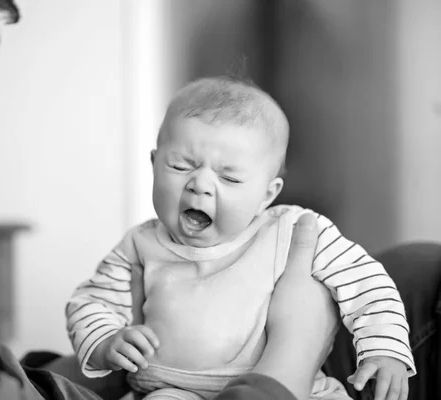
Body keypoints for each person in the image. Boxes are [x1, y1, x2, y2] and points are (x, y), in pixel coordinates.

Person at [0, 1, 342, 400]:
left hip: (145, 374)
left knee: (416, 270)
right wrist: (296, 346)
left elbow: (8, 374)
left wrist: (120, 359)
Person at [66, 77, 415, 400]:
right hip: (171, 387)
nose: (200, 184)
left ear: (267, 194)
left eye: (229, 179)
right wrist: (105, 341)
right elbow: (90, 303)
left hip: (297, 389)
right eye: (180, 166)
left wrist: (384, 349)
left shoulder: (294, 230)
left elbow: (366, 282)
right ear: (154, 164)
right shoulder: (139, 245)